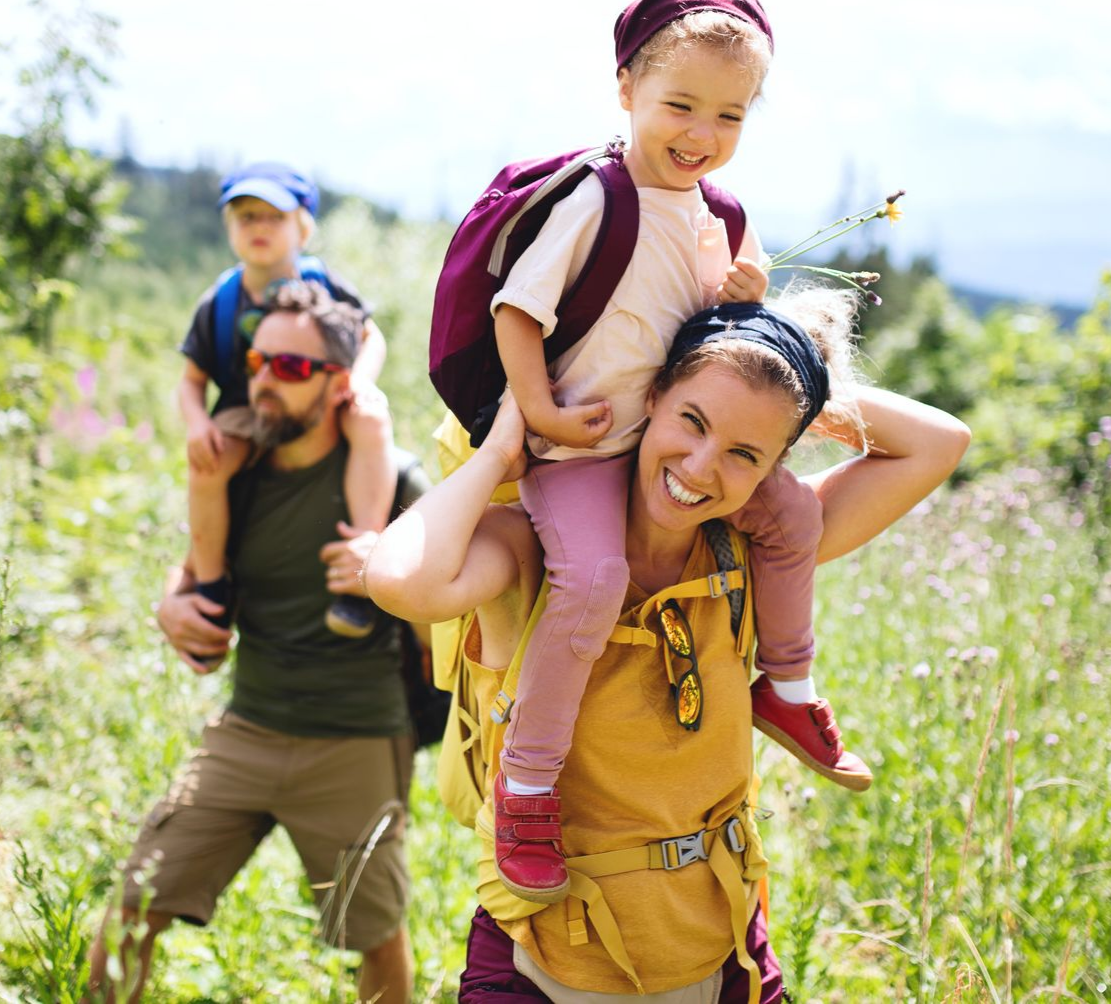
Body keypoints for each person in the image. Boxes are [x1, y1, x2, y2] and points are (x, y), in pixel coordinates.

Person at [368, 291, 971, 1000]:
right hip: (542, 960)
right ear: (649, 396)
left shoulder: (754, 551)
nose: (701, 467)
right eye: (693, 419)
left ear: (773, 466)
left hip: (722, 955)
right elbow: (401, 580)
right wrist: (503, 448)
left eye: (745, 453)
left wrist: (785, 373)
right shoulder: (532, 550)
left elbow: (940, 442)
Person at [475, 0, 865, 903]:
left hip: (667, 442)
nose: (702, 133)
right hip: (582, 447)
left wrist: (744, 287)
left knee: (791, 519)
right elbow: (516, 311)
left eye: (728, 116)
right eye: (679, 105)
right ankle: (527, 785)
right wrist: (540, 414)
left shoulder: (717, 213)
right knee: (594, 579)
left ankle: (789, 685)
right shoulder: (594, 200)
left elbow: (736, 310)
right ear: (626, 91)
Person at [85, 282, 423, 1004]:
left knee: (377, 935)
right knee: (128, 913)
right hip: (247, 728)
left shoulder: (394, 478)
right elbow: (193, 573)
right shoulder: (238, 469)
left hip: (356, 739)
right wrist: (169, 608)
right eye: (257, 361)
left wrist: (390, 580)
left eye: (292, 368)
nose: (265, 379)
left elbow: (452, 613)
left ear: (339, 383)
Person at [177, 161, 396, 641]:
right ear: (229, 227)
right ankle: (212, 584)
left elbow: (370, 336)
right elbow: (191, 380)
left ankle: (359, 562)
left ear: (303, 227)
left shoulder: (326, 284)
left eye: (273, 217)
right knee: (207, 466)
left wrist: (359, 381)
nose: (259, 228)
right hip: (245, 408)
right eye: (245, 217)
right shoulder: (219, 301)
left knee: (371, 422)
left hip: (321, 396)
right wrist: (197, 424)